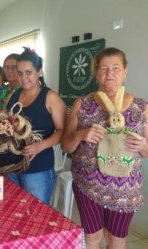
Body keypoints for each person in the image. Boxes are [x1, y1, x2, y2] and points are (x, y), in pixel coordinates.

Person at [61, 47, 148, 249]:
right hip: (88, 184)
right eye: (103, 68)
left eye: (116, 68)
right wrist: (80, 135)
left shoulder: (141, 107)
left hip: (125, 188)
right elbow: (66, 145)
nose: (110, 74)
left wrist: (144, 145)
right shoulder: (82, 104)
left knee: (116, 240)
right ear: (95, 72)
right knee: (92, 237)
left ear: (125, 72)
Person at [3, 48, 66, 205]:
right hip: (10, 165)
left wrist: (40, 146)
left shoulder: (50, 97)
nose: (23, 78)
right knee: (12, 212)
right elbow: (3, 120)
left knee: (35, 217)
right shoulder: (13, 95)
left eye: (28, 72)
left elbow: (62, 131)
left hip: (38, 169)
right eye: (19, 73)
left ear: (40, 72)